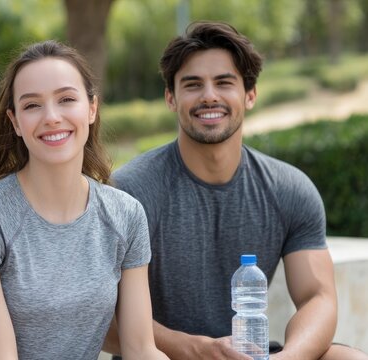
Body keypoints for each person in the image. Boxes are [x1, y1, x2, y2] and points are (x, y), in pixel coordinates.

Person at [105, 21, 368, 359]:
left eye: (224, 82)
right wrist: (199, 350)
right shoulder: (130, 191)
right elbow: (104, 318)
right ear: (171, 97)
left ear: (250, 95)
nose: (209, 95)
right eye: (193, 84)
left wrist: (288, 358)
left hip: (251, 353)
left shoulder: (289, 189)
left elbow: (318, 297)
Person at [0, 40, 169, 360]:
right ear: (16, 121)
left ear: (91, 108)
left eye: (66, 99)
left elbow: (140, 348)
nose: (51, 117)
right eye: (32, 105)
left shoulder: (126, 214)